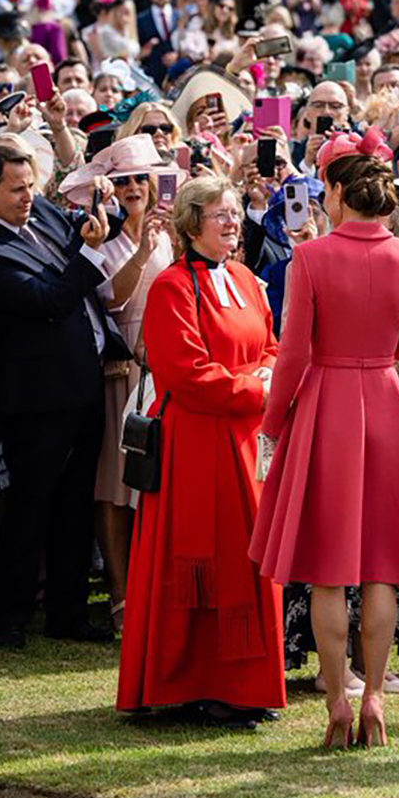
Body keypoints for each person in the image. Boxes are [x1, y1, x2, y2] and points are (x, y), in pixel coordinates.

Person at [250, 133, 399, 749]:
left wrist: (273, 426)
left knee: (329, 572)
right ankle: (377, 695)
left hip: (328, 406)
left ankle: (337, 698)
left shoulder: (310, 259)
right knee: (383, 568)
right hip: (386, 401)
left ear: (337, 195)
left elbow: (295, 354)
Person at [118, 175, 285, 728]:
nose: (233, 223)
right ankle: (196, 683)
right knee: (205, 562)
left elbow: (273, 347)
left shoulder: (247, 279)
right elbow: (186, 374)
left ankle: (244, 683)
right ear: (192, 224)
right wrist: (257, 387)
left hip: (245, 441)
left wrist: (265, 376)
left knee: (248, 560)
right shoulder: (171, 286)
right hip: (195, 443)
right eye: (220, 215)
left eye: (236, 213)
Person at [0, 145, 122, 648]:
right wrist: (90, 253)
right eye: (16, 189)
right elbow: (49, 300)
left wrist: (104, 214)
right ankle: (11, 614)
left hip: (82, 381)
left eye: (30, 185)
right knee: (29, 506)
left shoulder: (43, 210)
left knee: (76, 503)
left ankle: (67, 614)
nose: (28, 197)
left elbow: (85, 241)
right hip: (35, 397)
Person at [59, 136, 177, 636]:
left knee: (157, 479)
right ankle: (121, 593)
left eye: (139, 178)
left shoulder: (166, 231)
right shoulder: (102, 233)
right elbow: (111, 302)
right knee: (114, 482)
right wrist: (143, 249)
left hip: (166, 361)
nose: (132, 187)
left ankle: (156, 586)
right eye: (123, 179)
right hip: (122, 363)